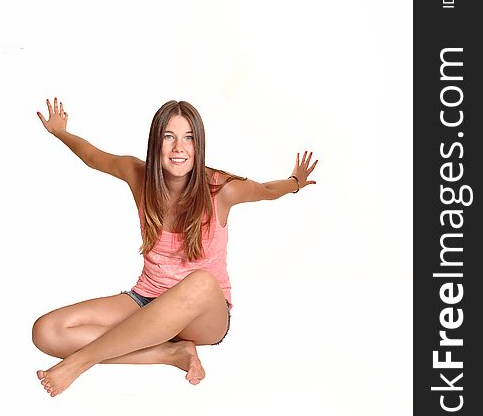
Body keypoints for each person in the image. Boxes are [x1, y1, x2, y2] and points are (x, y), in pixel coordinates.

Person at [33, 97, 318, 397]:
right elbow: (93, 156)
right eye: (169, 137)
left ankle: (79, 363)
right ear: (156, 143)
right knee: (47, 331)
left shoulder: (221, 188)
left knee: (201, 282)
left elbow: (266, 191)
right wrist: (61, 132)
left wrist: (294, 181)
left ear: (199, 146)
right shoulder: (138, 176)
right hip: (148, 298)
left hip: (204, 316)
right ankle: (169, 354)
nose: (178, 148)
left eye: (188, 138)